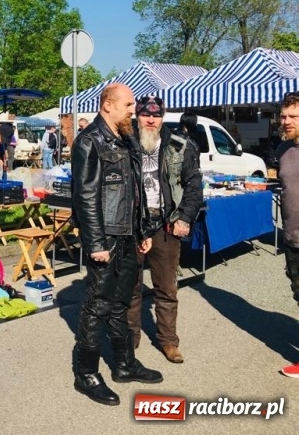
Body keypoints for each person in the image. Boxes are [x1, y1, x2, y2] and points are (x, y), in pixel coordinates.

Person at [71, 83, 161, 406]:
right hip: (104, 237)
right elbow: (85, 197)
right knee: (98, 303)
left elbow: (136, 190)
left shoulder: (126, 139)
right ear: (107, 105)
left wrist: (143, 230)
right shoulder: (88, 142)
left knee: (122, 300)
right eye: (128, 104)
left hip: (126, 235)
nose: (133, 110)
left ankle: (124, 364)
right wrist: (95, 241)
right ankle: (86, 373)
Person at [127, 95, 202, 365]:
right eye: (145, 114)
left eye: (156, 115)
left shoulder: (180, 146)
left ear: (163, 117)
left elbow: (194, 184)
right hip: (132, 226)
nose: (150, 119)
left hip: (165, 225)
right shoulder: (125, 143)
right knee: (130, 286)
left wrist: (185, 217)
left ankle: (169, 341)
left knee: (167, 289)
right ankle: (130, 337)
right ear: (137, 115)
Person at [276, 92, 299, 378]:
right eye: (283, 115)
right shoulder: (282, 149)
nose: (286, 120)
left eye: (293, 116)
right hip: (292, 237)